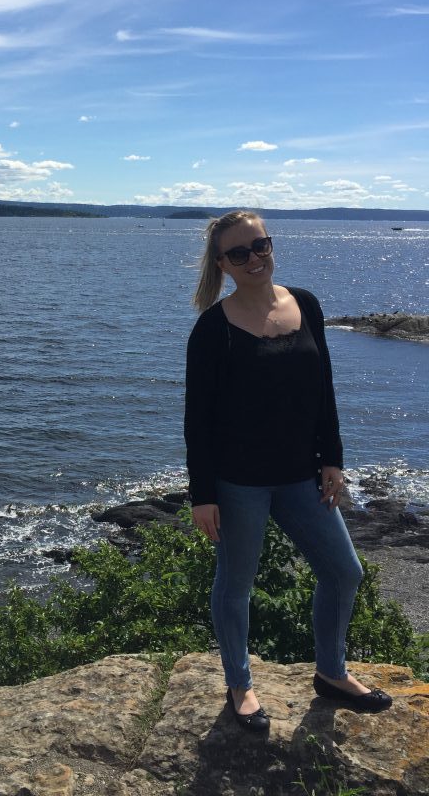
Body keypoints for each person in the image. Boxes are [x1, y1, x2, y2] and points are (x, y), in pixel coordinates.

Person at [184, 210, 392, 731]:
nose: (255, 258)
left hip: (302, 475)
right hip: (238, 483)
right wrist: (202, 494)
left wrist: (333, 459)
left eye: (261, 245)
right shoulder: (213, 328)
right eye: (239, 252)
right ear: (222, 263)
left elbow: (323, 389)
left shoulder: (307, 304)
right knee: (236, 585)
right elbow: (198, 419)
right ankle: (240, 684)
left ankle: (331, 674)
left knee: (344, 571)